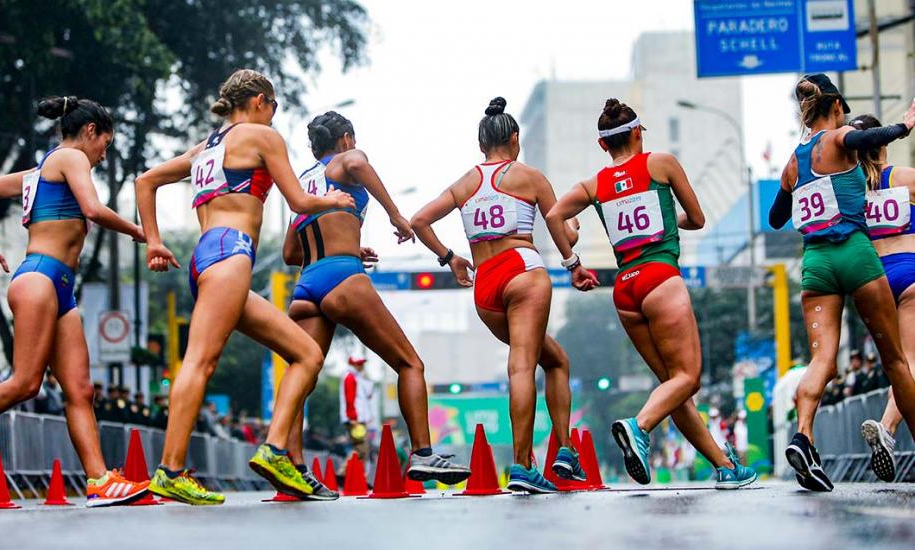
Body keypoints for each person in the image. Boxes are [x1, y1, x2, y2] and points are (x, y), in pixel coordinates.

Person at [0, 96, 150, 507]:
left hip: (58, 285)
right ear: (90, 132)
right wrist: (142, 232)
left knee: (79, 389)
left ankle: (98, 480)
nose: (102, 156)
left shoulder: (42, 170)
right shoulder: (71, 156)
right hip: (40, 278)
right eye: (105, 146)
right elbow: (93, 210)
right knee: (25, 382)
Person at [135, 68, 354, 505]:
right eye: (273, 107)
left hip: (207, 257)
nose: (273, 116)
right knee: (200, 361)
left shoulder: (207, 149)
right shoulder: (261, 136)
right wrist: (334, 200)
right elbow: (300, 201)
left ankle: (274, 451)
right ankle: (170, 470)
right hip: (231, 253)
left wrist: (155, 241)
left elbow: (145, 181)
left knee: (306, 354)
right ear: (259, 101)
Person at [546, 98, 756, 489]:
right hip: (661, 279)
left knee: (671, 387)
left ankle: (725, 467)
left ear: (602, 145)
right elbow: (696, 218)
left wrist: (573, 264)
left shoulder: (592, 185)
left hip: (626, 289)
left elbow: (554, 215)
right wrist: (665, 219)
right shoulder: (661, 164)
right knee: (688, 377)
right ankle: (638, 426)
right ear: (638, 132)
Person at [280, 111, 471, 499]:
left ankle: (293, 465)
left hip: (306, 287)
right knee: (409, 363)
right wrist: (396, 215)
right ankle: (422, 454)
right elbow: (357, 163)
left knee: (301, 376)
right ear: (346, 138)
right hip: (342, 279)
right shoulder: (346, 160)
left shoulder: (304, 183)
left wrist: (349, 243)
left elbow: (289, 252)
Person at [411, 97, 594, 493]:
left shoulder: (464, 183)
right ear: (515, 139)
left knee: (554, 359)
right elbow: (558, 224)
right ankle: (525, 465)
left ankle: (562, 453)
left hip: (486, 287)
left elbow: (419, 220)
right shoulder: (529, 176)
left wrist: (450, 258)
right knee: (523, 367)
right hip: (523, 270)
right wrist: (573, 259)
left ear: (481, 145)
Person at [768, 75, 915, 491]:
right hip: (855, 253)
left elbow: (776, 218)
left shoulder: (794, 161)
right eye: (842, 111)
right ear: (834, 107)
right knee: (895, 361)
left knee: (821, 362)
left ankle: (804, 436)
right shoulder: (840, 137)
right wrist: (904, 127)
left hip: (815, 264)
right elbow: (873, 136)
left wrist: (790, 184)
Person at [848, 113, 915, 482]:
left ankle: (888, 430)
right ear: (885, 142)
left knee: (896, 363)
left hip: (871, 280)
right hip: (909, 272)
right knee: (910, 363)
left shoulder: (850, 189)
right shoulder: (904, 178)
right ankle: (887, 430)